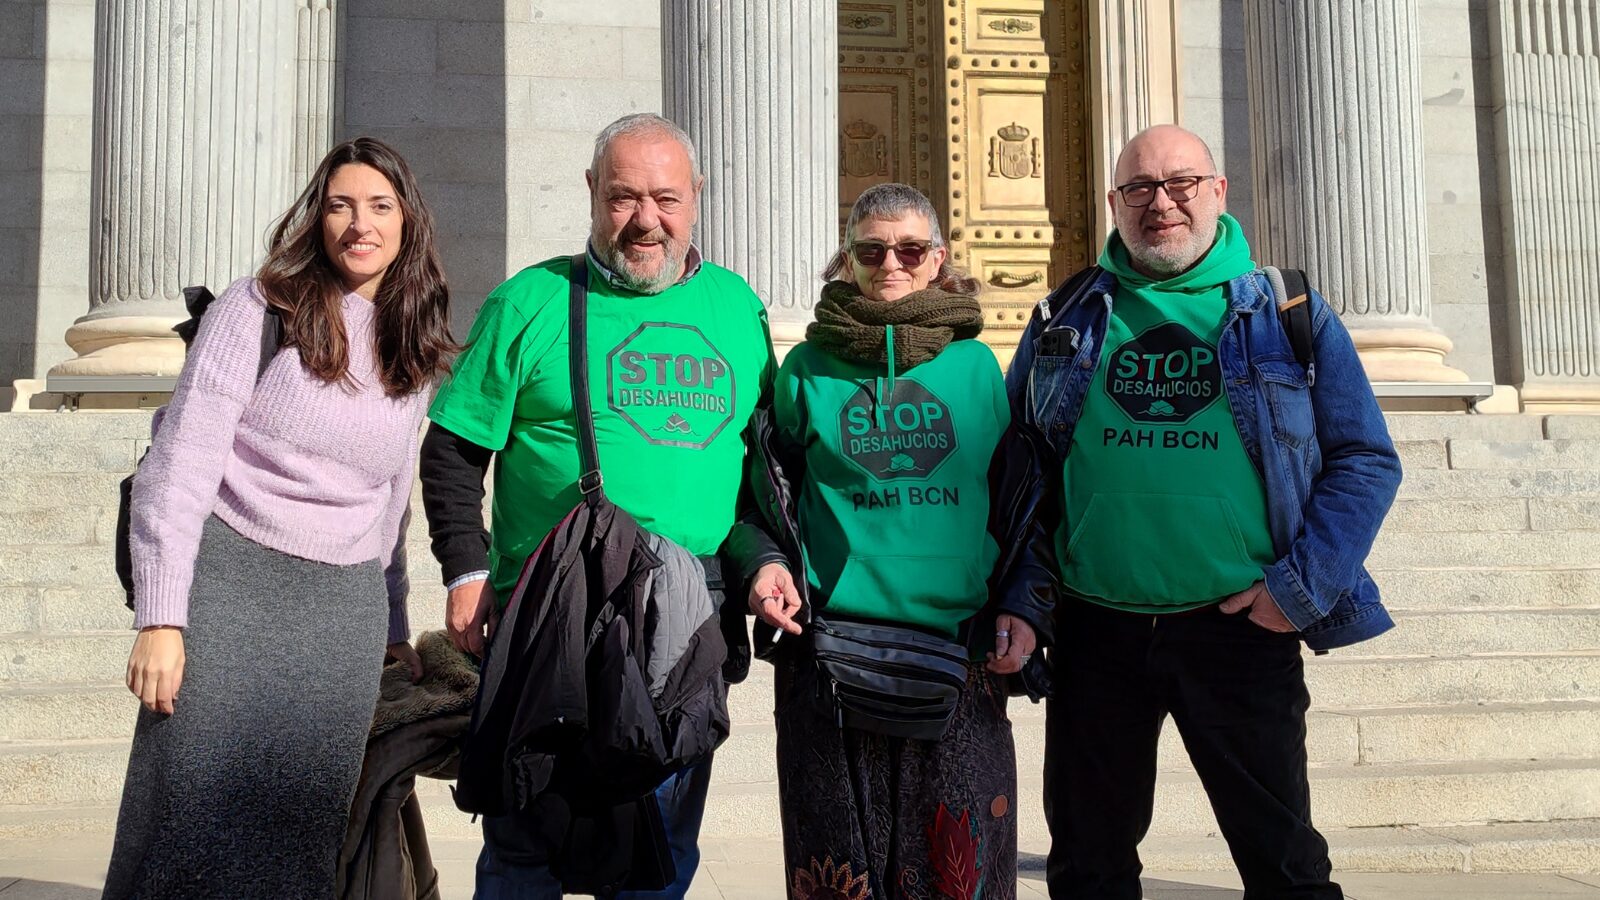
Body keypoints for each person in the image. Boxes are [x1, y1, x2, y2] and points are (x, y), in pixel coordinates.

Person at [1006, 125, 1403, 900]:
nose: (1162, 204)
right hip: (1098, 631)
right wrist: (1026, 598)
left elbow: (1365, 459)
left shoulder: (1287, 313)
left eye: (1181, 183)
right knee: (1088, 865)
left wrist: (1296, 594)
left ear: (1218, 192)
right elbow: (1021, 470)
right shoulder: (1065, 316)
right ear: (1115, 204)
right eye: (1140, 189)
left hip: (1236, 629)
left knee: (1284, 863)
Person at [420, 113, 775, 898]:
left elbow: (758, 479)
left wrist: (767, 564)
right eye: (622, 197)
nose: (645, 220)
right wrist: (465, 571)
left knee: (656, 852)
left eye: (665, 199)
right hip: (547, 614)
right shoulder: (528, 303)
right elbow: (451, 451)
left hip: (687, 619)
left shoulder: (738, 309)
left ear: (697, 198)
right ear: (590, 193)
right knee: (525, 846)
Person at [104, 137, 454, 899]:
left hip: (341, 620)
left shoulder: (412, 341)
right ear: (317, 219)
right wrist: (161, 619)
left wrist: (393, 626)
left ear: (407, 223)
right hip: (231, 589)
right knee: (185, 820)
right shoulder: (259, 307)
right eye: (340, 206)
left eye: (379, 207)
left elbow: (391, 502)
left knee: (301, 838)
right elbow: (181, 461)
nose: (359, 225)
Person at [726, 182, 1056, 900]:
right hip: (831, 659)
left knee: (958, 874)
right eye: (871, 250)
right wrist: (766, 563)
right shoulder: (806, 370)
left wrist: (1026, 607)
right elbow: (761, 496)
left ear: (938, 259)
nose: (891, 265)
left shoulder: (976, 368)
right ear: (847, 260)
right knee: (837, 876)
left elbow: (1020, 507)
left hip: (961, 658)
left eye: (909, 250)